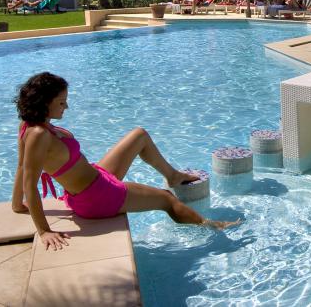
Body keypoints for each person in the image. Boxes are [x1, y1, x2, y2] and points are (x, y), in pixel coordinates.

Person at [12, 72, 238, 250]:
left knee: (139, 135)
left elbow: (21, 166)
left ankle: (172, 175)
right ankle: (212, 226)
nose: (66, 107)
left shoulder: (29, 125)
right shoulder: (39, 135)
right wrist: (44, 231)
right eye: (62, 102)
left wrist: (17, 205)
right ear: (45, 102)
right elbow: (29, 183)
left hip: (96, 178)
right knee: (167, 199)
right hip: (97, 197)